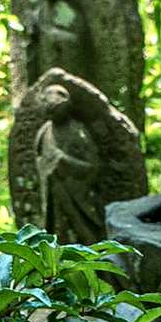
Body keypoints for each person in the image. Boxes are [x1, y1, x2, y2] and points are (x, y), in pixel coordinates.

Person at [33, 81, 103, 245]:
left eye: (57, 110)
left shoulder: (77, 132)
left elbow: (92, 167)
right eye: (49, 111)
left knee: (82, 235)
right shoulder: (44, 131)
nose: (53, 115)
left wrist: (63, 161)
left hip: (75, 197)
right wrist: (46, 168)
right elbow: (38, 159)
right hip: (52, 196)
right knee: (55, 236)